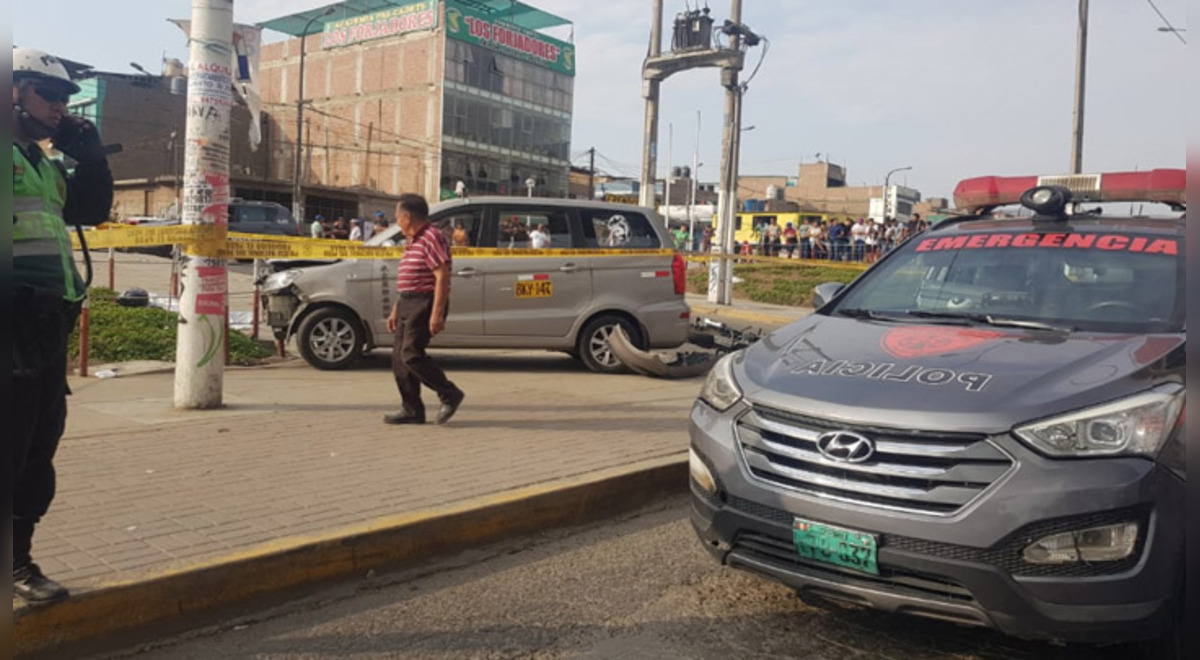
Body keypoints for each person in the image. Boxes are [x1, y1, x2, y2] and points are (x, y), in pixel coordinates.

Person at [13, 47, 114, 603]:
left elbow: (90, 212)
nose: (59, 107)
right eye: (47, 95)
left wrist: (92, 160)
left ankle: (16, 560)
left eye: (64, 99)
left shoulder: (40, 162)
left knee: (35, 451)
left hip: (43, 330)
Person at [385, 194, 465, 426]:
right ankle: (412, 410)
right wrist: (395, 310)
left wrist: (436, 313)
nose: (397, 221)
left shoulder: (432, 237)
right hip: (407, 302)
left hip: (424, 301)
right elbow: (408, 280)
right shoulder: (413, 241)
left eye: (398, 217)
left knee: (411, 354)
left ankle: (449, 393)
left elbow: (442, 276)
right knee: (400, 361)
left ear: (408, 217)